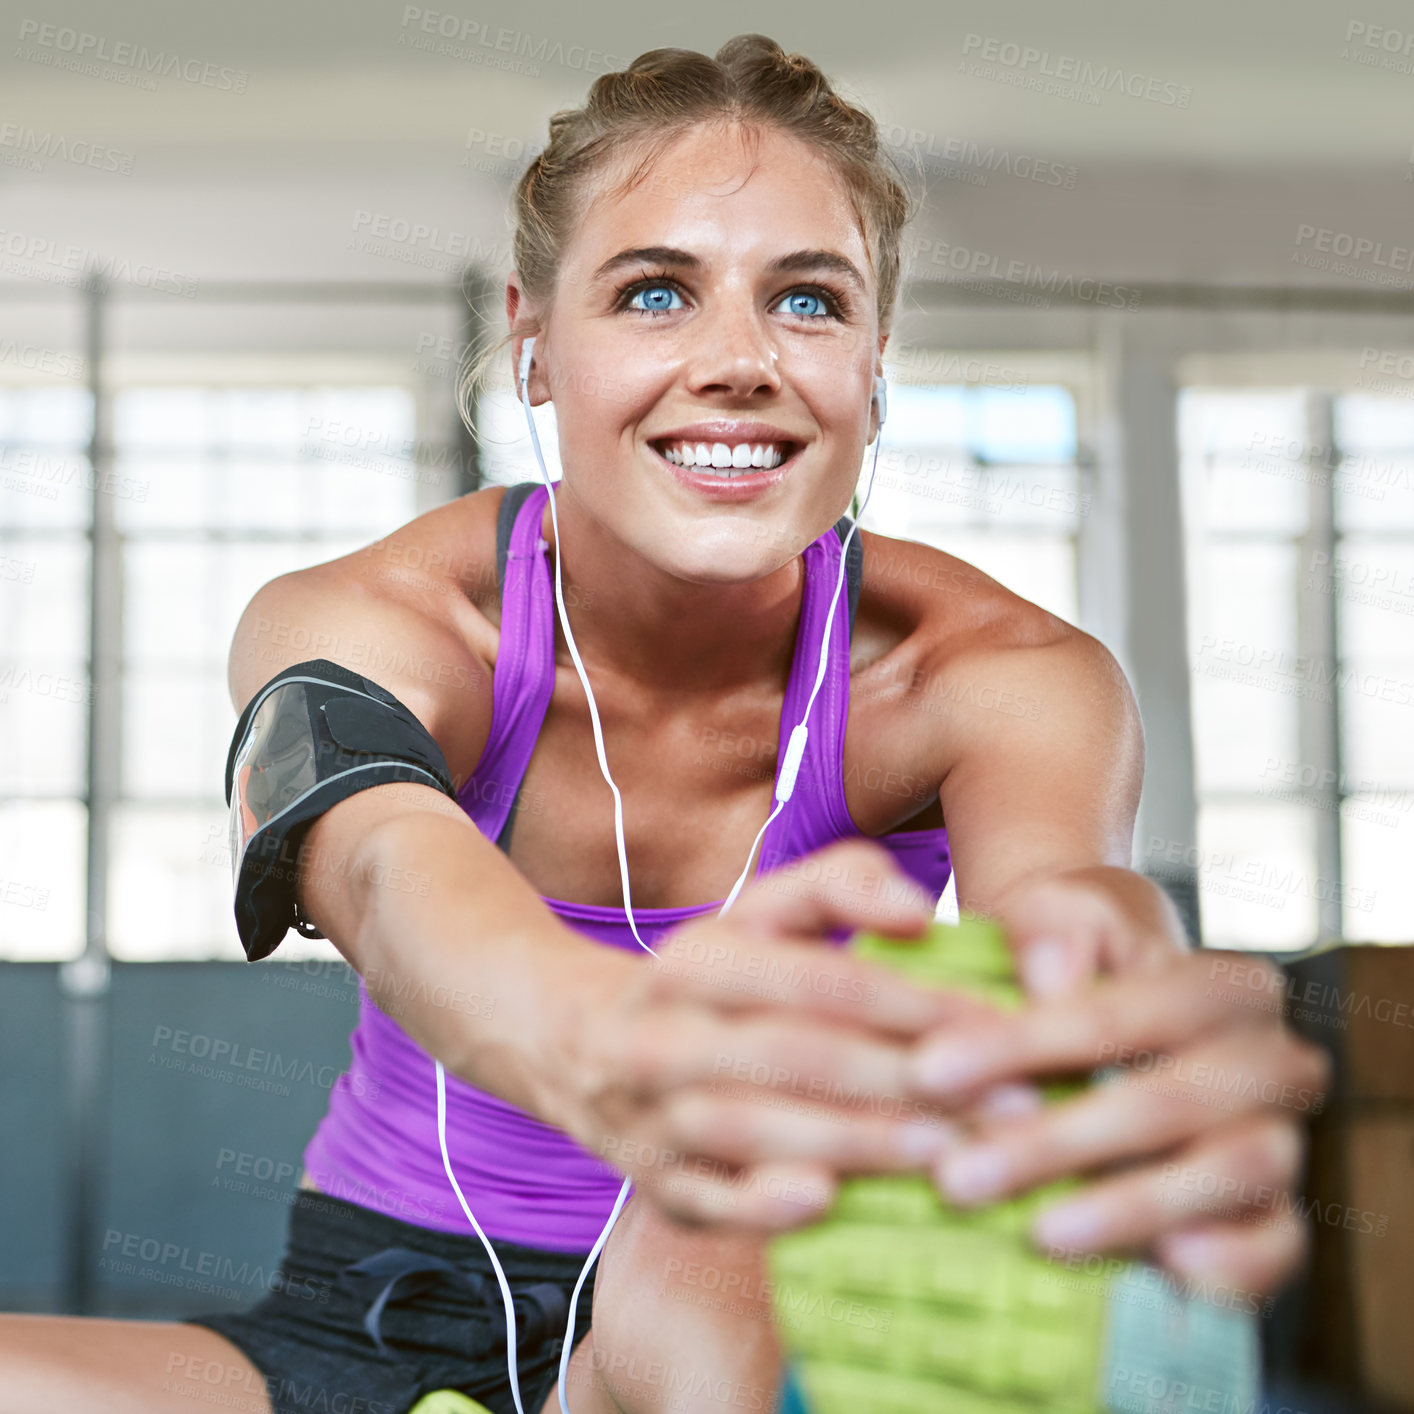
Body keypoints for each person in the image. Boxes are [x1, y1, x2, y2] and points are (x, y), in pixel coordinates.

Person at [0, 34, 1329, 1414]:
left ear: (873, 369)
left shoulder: (989, 674)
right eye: (652, 293)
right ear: (533, 347)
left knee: (715, 1226)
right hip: (369, 1307)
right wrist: (612, 1042)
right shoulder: (388, 616)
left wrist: (1122, 1038)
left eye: (808, 302)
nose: (737, 361)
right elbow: (381, 858)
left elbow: (1070, 922)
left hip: (718, 1303)